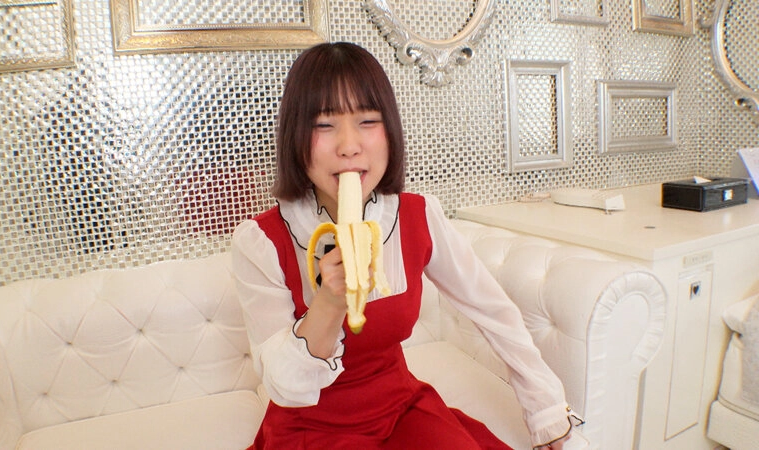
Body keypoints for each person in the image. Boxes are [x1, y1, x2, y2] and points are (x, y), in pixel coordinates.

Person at [232, 42, 578, 449]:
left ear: (390, 131)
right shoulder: (261, 241)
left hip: (399, 407)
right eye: (324, 124)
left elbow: (493, 311)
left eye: (367, 121)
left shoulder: (418, 215)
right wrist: (329, 302)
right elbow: (283, 385)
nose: (349, 145)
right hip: (310, 426)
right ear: (295, 137)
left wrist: (547, 412)